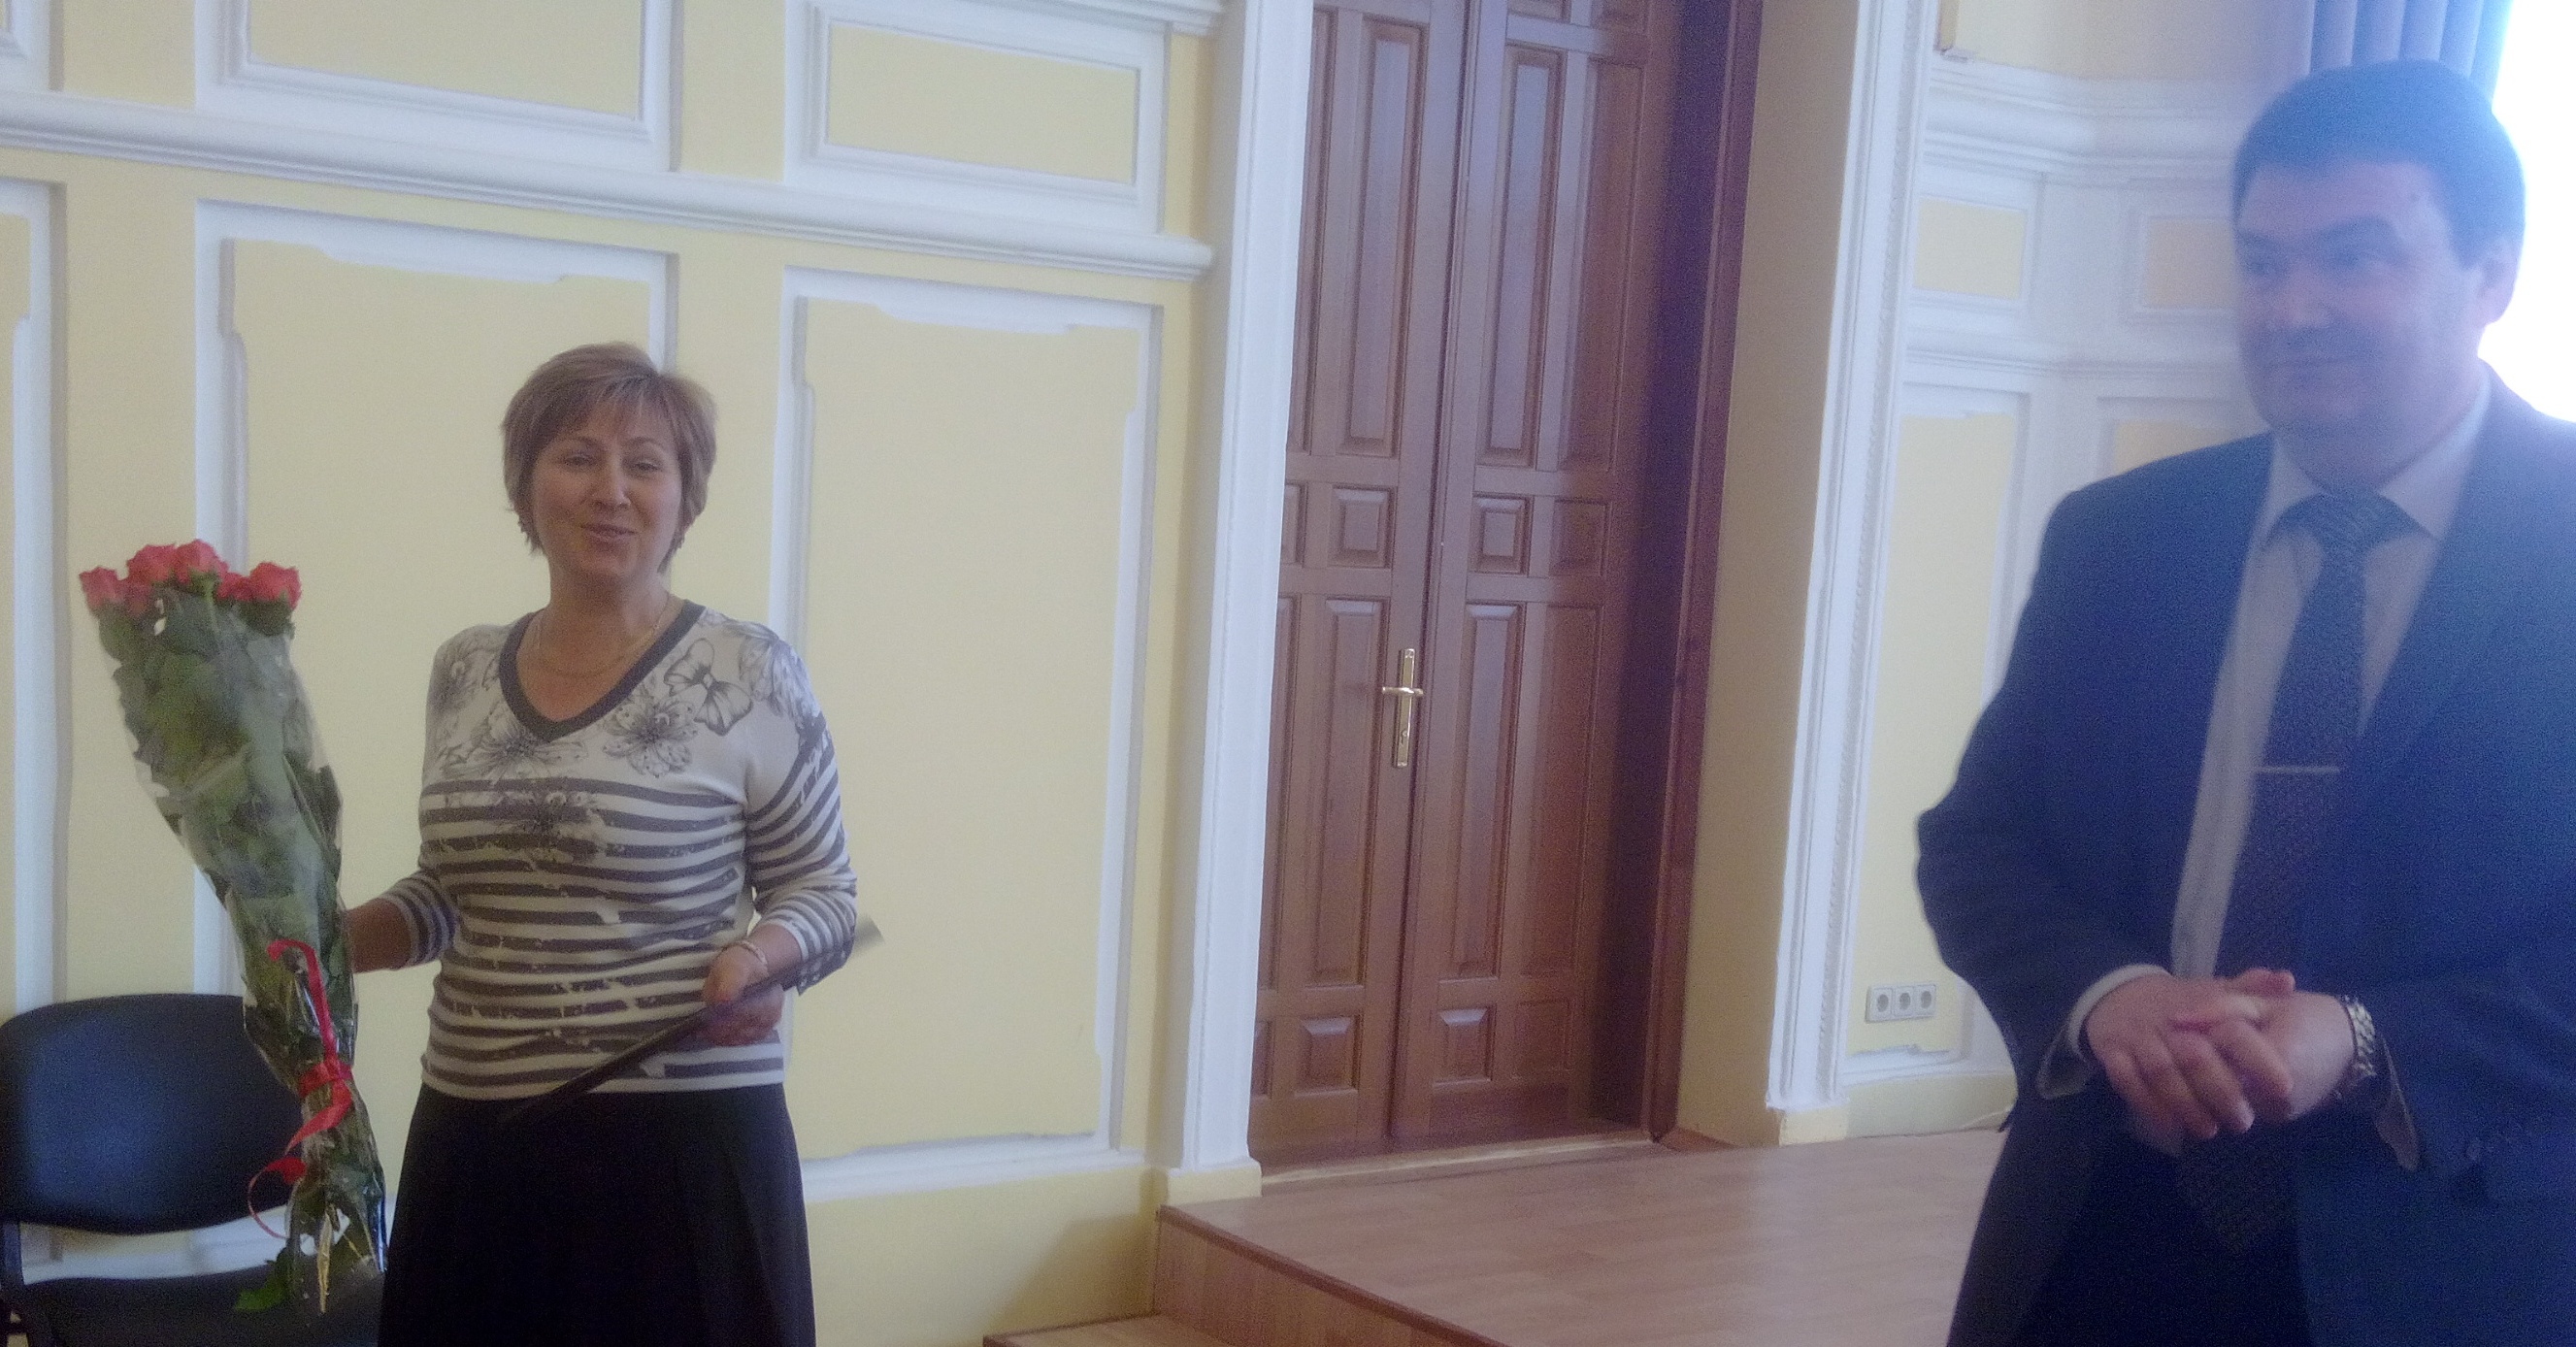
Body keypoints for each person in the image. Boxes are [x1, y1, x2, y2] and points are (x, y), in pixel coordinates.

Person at [1920, 60, 2576, 1347]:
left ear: (2490, 272)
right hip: (2101, 1228)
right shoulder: (2120, 538)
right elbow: (1978, 844)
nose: (2291, 309)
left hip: (2450, 1256)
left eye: (2352, 258)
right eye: (2262, 263)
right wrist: (2109, 994)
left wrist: (2370, 1040)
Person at [345, 343, 866, 1347]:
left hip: (678, 1150)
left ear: (684, 499)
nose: (611, 490)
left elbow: (825, 895)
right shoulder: (464, 668)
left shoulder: (749, 668)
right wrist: (324, 941)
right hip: (478, 1135)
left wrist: (759, 960)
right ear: (525, 485)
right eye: (578, 456)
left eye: (646, 464)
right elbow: (455, 892)